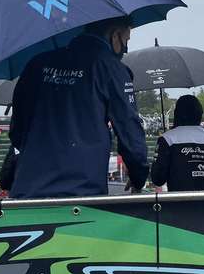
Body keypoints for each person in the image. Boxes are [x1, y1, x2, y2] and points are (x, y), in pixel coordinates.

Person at [9, 16, 148, 198]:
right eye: (126, 41)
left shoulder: (36, 64)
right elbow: (130, 132)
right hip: (82, 192)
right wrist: (138, 177)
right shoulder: (113, 69)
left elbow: (16, 132)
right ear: (115, 36)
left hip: (28, 189)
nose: (125, 49)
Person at [150, 94, 204, 191]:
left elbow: (157, 178)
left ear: (177, 114)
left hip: (178, 202)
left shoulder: (167, 139)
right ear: (200, 114)